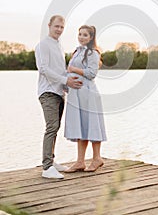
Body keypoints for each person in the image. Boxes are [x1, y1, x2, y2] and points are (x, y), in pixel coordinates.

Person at [35, 15, 82, 179]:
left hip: (59, 92)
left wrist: (67, 87)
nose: (59, 30)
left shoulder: (59, 46)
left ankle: (52, 161)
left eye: (62, 27)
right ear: (49, 26)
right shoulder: (43, 45)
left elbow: (61, 70)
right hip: (47, 93)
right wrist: (65, 80)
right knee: (51, 127)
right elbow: (44, 69)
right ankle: (47, 167)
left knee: (55, 128)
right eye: (56, 26)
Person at [64, 25, 107, 172]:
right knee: (81, 125)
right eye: (80, 34)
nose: (81, 37)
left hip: (88, 94)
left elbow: (91, 73)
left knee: (92, 124)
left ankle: (97, 158)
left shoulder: (93, 53)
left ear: (91, 38)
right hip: (76, 95)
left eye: (85, 35)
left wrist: (73, 70)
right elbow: (68, 70)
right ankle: (80, 161)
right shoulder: (76, 51)